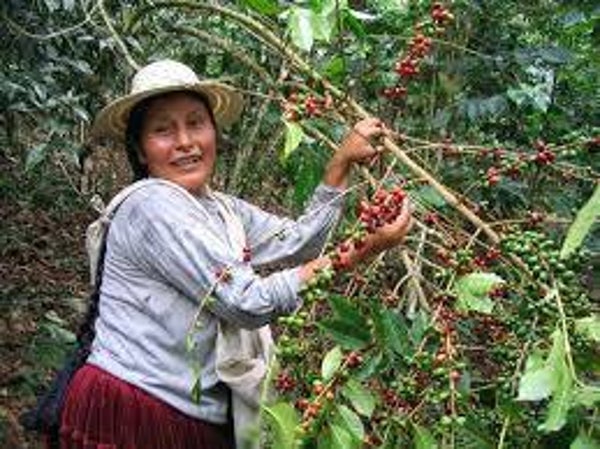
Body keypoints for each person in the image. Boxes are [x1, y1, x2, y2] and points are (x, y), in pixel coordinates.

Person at [54, 59, 413, 449]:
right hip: (135, 410)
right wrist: (362, 249)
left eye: (195, 123)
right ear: (140, 151)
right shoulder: (152, 206)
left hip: (186, 411)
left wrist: (339, 165)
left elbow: (298, 243)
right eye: (162, 130)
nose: (185, 141)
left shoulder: (219, 209)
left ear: (214, 132)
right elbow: (245, 302)